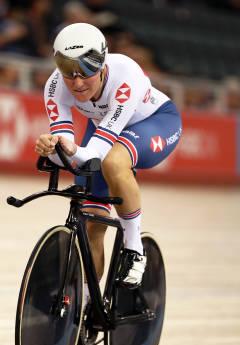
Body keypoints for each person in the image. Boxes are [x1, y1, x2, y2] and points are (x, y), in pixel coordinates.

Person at [34, 23, 181, 295]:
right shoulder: (55, 85)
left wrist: (68, 150)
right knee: (92, 224)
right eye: (69, 72)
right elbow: (67, 151)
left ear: (102, 64)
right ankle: (88, 302)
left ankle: (134, 249)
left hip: (154, 122)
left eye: (86, 72)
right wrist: (51, 147)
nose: (77, 83)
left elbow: (95, 152)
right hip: (103, 127)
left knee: (113, 161)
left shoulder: (126, 75)